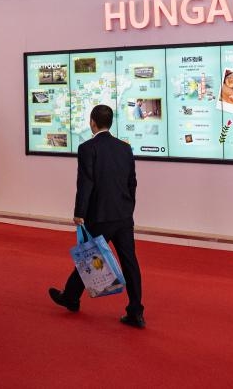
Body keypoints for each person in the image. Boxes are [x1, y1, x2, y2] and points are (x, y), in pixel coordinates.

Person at [49, 104, 145, 328]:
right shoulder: (124, 148)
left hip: (99, 215)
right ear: (110, 122)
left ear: (92, 122)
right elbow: (132, 181)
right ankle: (136, 311)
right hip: (123, 215)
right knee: (129, 261)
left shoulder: (87, 148)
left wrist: (79, 212)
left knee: (90, 256)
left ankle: (71, 298)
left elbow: (86, 183)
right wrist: (128, 206)